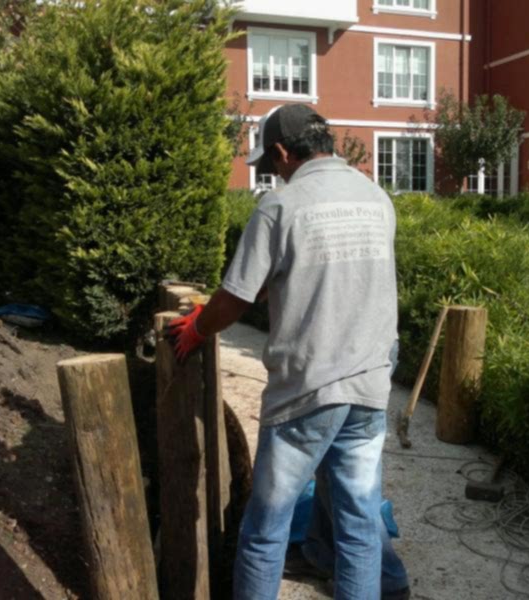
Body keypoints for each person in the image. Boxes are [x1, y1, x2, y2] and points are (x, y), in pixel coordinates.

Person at [166, 103, 407, 600]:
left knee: (265, 530)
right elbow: (336, 272)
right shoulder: (376, 198)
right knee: (359, 528)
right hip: (369, 388)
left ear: (281, 151)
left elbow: (234, 298)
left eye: (270, 162)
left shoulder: (281, 206)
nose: (273, 172)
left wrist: (198, 329)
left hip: (306, 395)